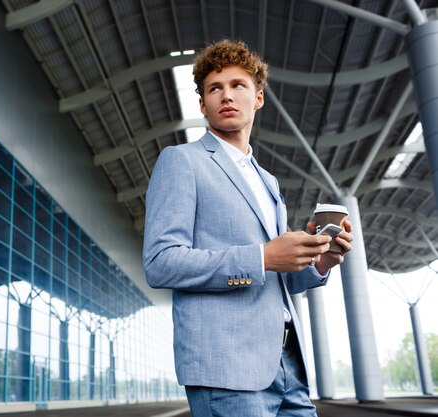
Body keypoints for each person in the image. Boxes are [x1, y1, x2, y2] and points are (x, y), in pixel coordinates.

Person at [143, 39, 353, 417]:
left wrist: (318, 262)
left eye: (238, 85)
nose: (226, 95)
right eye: (214, 88)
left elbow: (275, 276)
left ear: (258, 98)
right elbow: (161, 263)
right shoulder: (181, 162)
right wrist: (263, 256)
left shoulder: (268, 182)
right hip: (226, 368)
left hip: (287, 362)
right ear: (202, 103)